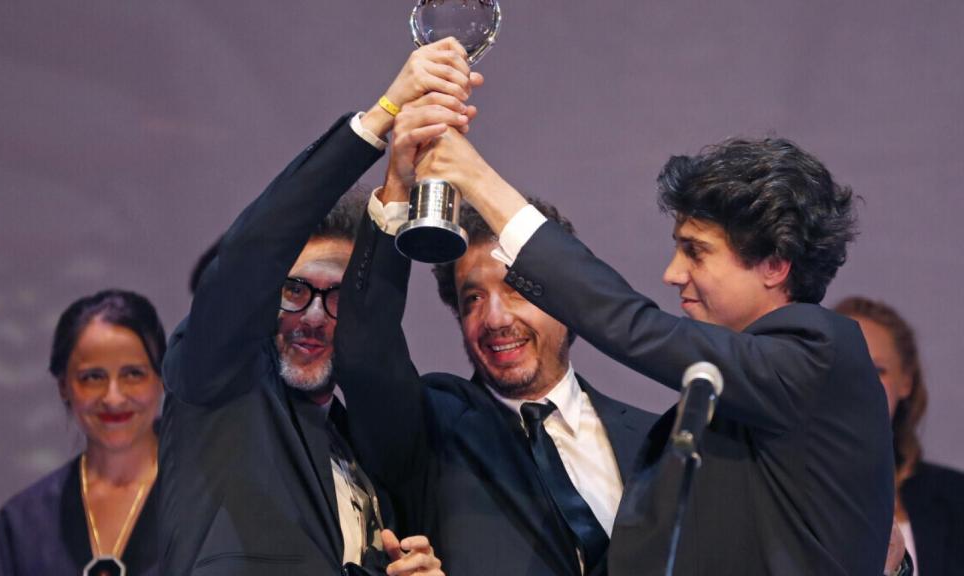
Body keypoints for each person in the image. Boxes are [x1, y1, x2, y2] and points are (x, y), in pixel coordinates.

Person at [404, 130, 895, 574]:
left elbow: (630, 325)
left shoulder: (821, 355)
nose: (673, 273)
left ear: (773, 264)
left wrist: (477, 180)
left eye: (695, 251)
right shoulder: (722, 413)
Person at [157, 40, 480, 576]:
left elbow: (372, 318)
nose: (312, 316)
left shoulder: (362, 452)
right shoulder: (219, 391)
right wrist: (383, 117)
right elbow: (251, 253)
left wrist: (399, 182)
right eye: (294, 290)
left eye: (335, 298)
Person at [333, 100, 658, 576]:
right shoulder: (433, 427)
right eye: (472, 299)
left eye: (517, 290)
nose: (495, 318)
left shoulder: (657, 440)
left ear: (568, 305)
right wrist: (399, 187)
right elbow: (363, 354)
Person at [0, 289, 166, 576]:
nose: (113, 398)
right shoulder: (27, 523)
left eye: (133, 374)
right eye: (92, 377)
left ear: (162, 379)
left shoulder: (209, 504)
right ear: (64, 387)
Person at [836, 296, 964, 576]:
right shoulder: (778, 484)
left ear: (905, 382)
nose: (861, 383)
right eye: (846, 366)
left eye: (878, 370)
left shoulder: (956, 498)